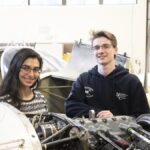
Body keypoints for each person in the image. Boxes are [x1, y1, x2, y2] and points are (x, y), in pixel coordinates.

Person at [65, 30, 149, 119]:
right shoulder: (84, 79)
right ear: (93, 51)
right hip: (88, 132)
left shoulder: (131, 81)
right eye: (97, 47)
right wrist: (98, 113)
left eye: (106, 46)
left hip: (121, 132)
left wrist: (115, 118)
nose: (101, 51)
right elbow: (70, 106)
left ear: (115, 50)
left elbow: (143, 116)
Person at [0, 47, 48, 115]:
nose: (31, 74)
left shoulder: (41, 99)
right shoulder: (3, 102)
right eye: (25, 68)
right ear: (15, 68)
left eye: (36, 69)